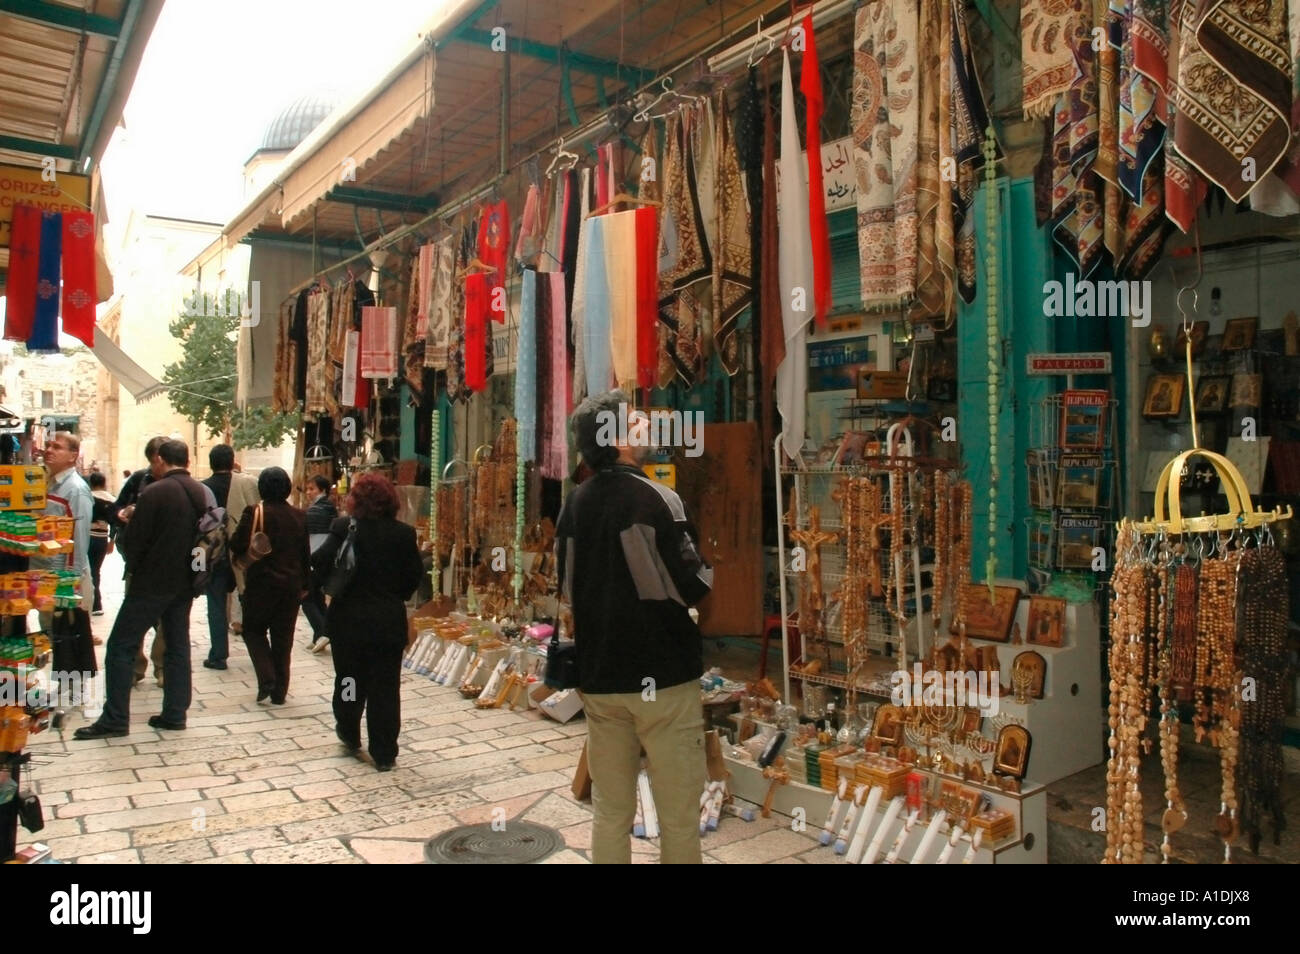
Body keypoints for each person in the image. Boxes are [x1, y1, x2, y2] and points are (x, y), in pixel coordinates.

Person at [555, 391, 714, 864]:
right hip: (663, 677)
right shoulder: (658, 499)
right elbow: (695, 582)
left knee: (609, 810)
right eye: (637, 422)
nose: (647, 428)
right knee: (679, 816)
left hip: (601, 677)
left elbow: (566, 588)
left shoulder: (573, 505)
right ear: (616, 439)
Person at [74, 440, 214, 739]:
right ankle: (175, 713)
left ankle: (115, 718)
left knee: (121, 646)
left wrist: (127, 529)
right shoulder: (199, 491)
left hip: (151, 582)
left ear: (161, 460)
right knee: (177, 646)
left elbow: (136, 541)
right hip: (184, 581)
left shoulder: (156, 491)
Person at [311, 473, 422, 772]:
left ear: (355, 501)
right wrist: (391, 594)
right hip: (386, 622)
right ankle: (384, 751)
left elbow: (319, 563)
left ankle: (348, 728)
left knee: (349, 679)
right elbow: (413, 579)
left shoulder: (343, 527)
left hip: (348, 622)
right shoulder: (403, 534)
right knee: (385, 687)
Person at [230, 467, 309, 705]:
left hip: (261, 584)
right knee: (283, 638)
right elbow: (305, 554)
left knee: (253, 630)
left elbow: (236, 543)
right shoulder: (300, 515)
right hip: (291, 586)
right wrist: (306, 585)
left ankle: (267, 677)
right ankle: (280, 691)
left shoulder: (254, 512)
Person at [35, 432, 97, 687]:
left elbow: (79, 540)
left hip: (64, 578)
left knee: (67, 633)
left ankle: (71, 689)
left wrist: (70, 583)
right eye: (48, 446)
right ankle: (64, 685)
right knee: (52, 631)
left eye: (57, 447)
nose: (49, 450)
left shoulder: (76, 490)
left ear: (73, 456)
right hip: (45, 575)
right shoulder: (49, 483)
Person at [113, 436, 168, 687]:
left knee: (166, 621)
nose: (159, 463)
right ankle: (136, 666)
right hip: (137, 562)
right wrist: (124, 513)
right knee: (135, 617)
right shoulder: (138, 480)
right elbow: (116, 509)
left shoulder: (174, 483)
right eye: (156, 459)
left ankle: (162, 667)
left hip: (166, 563)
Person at [200, 445, 241, 670]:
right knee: (246, 597)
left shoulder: (203, 488)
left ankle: (219, 654)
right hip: (241, 551)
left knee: (215, 604)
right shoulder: (243, 484)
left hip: (215, 554)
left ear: (211, 463)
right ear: (232, 461)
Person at [225, 460, 260, 637]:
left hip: (222, 553)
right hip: (254, 555)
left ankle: (219, 649)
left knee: (222, 597)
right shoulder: (297, 517)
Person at [302, 474, 336, 653]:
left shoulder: (317, 511)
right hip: (323, 559)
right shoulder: (327, 508)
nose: (308, 492)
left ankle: (324, 632)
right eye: (307, 489)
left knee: (306, 598)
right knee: (316, 597)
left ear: (322, 490)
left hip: (315, 559)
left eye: (312, 489)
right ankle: (319, 635)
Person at [87, 472, 116, 620]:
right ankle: (96, 604)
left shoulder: (88, 497)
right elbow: (115, 524)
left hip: (87, 537)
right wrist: (112, 542)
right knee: (95, 570)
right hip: (101, 540)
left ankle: (93, 603)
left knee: (89, 569)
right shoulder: (111, 500)